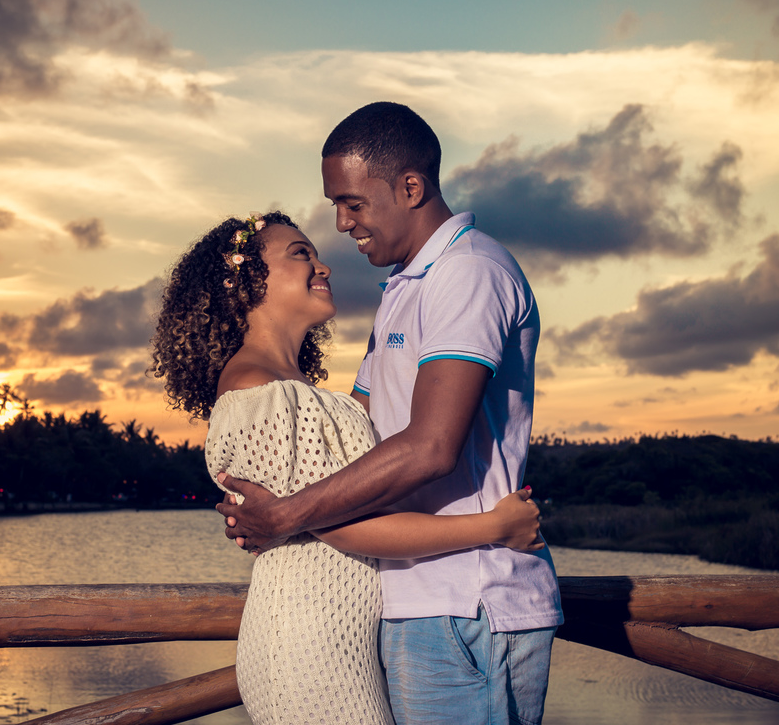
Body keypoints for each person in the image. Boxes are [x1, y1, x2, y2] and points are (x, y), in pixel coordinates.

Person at [216, 103, 563, 725]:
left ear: (410, 186)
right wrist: (264, 486)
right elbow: (355, 431)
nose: (343, 223)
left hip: (470, 602)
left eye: (352, 203)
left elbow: (431, 446)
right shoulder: (405, 291)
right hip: (410, 601)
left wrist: (285, 514)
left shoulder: (467, 272)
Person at [149, 211, 547, 725]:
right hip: (309, 645)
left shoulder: (299, 389)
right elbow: (340, 524)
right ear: (246, 285)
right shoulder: (255, 392)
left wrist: (284, 516)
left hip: (339, 637)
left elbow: (316, 507)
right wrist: (493, 526)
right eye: (299, 254)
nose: (323, 267)